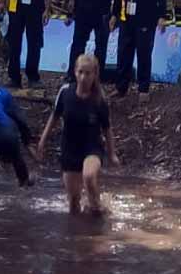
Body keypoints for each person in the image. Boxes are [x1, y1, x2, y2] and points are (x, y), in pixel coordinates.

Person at [37, 55, 120, 215]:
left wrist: (112, 154)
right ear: (75, 72)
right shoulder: (65, 93)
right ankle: (77, 235)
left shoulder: (99, 100)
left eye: (88, 73)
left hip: (92, 148)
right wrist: (42, 142)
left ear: (95, 75)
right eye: (80, 72)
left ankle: (97, 207)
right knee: (73, 203)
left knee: (88, 176)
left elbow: (107, 129)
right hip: (69, 149)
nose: (83, 77)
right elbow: (54, 117)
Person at [109, 0, 167, 101]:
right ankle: (121, 87)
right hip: (126, 18)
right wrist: (114, 14)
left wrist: (161, 16)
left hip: (146, 18)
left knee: (144, 53)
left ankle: (143, 89)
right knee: (123, 52)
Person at [0, 0, 52, 88]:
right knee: (14, 39)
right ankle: (14, 77)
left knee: (34, 40)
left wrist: (47, 8)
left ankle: (33, 76)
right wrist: (2, 1)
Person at [64, 0, 112, 82]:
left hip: (104, 6)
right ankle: (72, 74)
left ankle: (97, 76)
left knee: (101, 45)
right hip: (84, 3)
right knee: (78, 42)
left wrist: (113, 3)